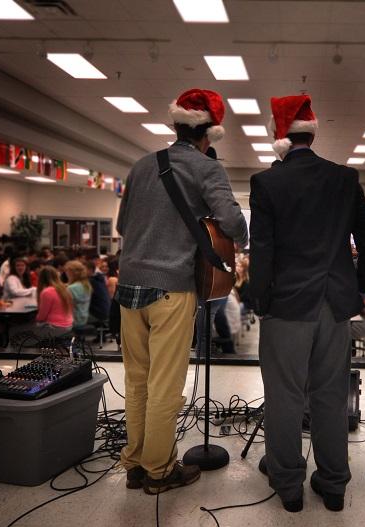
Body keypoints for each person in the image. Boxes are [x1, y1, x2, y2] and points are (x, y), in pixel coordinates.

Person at [251, 94, 365, 513]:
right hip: (334, 304)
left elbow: (263, 250)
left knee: (285, 395)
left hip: (287, 304)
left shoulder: (267, 183)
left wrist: (260, 299)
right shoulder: (344, 178)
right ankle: (333, 484)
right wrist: (361, 287)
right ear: (312, 132)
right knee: (330, 394)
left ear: (279, 135)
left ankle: (289, 486)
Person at [116, 88, 248, 495]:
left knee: (137, 380)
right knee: (165, 385)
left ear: (176, 125)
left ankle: (135, 464)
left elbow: (123, 226)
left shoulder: (140, 166)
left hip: (128, 285)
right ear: (211, 133)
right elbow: (235, 225)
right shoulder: (207, 169)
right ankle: (159, 470)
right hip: (172, 288)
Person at [65, 260, 92, 328]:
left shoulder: (71, 288)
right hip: (84, 319)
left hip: (74, 321)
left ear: (71, 273)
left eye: (67, 271)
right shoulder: (87, 285)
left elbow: (66, 307)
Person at [86, 260, 110, 325]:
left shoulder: (90, 282)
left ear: (90, 270)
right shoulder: (99, 279)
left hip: (98, 315)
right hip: (106, 312)